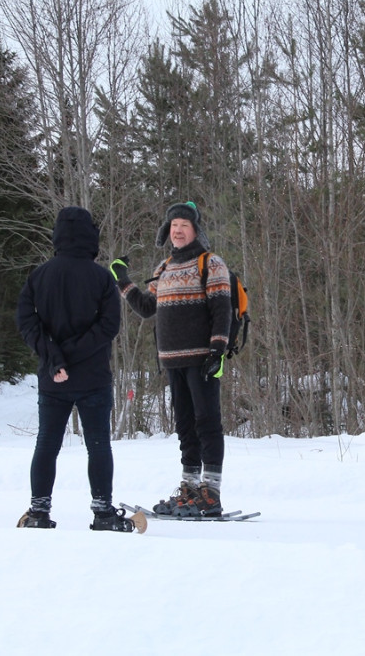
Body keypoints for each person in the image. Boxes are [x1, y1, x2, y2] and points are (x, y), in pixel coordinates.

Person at [16, 206, 137, 532]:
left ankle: (38, 512)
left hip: (53, 377)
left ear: (58, 235)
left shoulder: (39, 275)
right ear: (90, 236)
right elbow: (109, 325)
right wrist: (70, 357)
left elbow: (26, 322)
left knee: (47, 444)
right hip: (93, 376)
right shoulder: (101, 278)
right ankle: (102, 512)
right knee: (98, 444)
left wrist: (56, 359)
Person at [110, 201, 232, 517]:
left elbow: (221, 311)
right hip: (172, 360)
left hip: (203, 358)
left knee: (207, 422)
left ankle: (211, 494)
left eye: (184, 226)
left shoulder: (211, 263)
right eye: (174, 226)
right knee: (185, 426)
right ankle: (189, 489)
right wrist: (122, 280)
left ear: (195, 231)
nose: (177, 231)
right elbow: (147, 307)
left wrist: (218, 351)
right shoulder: (163, 268)